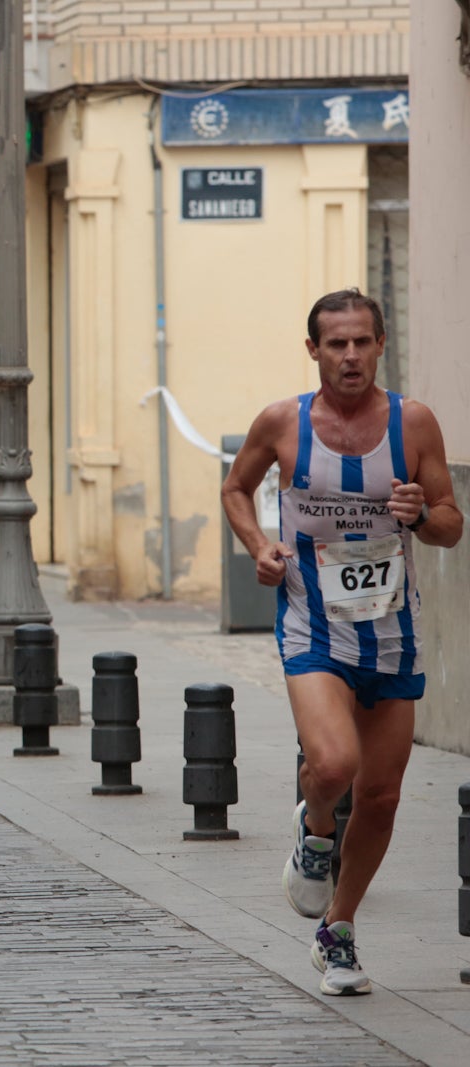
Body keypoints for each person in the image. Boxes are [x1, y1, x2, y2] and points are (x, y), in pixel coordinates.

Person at [222, 288, 462, 997]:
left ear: (382, 344)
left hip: (394, 629)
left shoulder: (413, 424)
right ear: (314, 350)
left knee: (383, 794)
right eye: (337, 344)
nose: (350, 356)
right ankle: (316, 825)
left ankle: (339, 929)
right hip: (313, 623)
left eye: (362, 341)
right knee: (333, 763)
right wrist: (260, 547)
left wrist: (422, 515)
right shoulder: (282, 423)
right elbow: (236, 489)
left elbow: (452, 522)